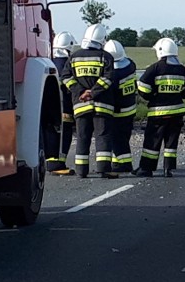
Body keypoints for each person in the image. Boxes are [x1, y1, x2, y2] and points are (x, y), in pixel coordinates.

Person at [134, 37, 185, 178]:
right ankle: (169, 169)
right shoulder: (182, 69)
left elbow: (143, 87)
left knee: (152, 141)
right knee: (171, 142)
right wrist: (181, 94)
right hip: (177, 112)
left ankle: (146, 169)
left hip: (158, 112)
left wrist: (152, 96)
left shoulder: (155, 68)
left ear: (160, 51)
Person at [61, 23, 117, 179]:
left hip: (80, 104)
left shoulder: (74, 57)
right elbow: (108, 79)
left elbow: (66, 77)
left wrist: (81, 92)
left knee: (82, 136)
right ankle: (103, 169)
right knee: (102, 136)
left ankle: (81, 171)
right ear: (102, 40)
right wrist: (92, 93)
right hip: (102, 105)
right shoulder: (106, 57)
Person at [46, 31, 78, 175]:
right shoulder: (69, 65)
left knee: (50, 133)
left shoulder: (49, 62)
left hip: (48, 108)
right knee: (64, 136)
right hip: (64, 107)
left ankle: (50, 161)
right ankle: (58, 164)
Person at [105, 40, 137, 173]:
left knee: (116, 138)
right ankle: (117, 162)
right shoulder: (130, 65)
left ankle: (125, 164)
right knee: (124, 136)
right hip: (130, 108)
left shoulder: (113, 73)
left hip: (117, 111)